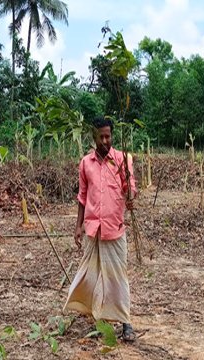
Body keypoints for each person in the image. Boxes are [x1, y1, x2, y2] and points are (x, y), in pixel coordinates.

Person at [64, 116, 138, 342]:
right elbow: (82, 197)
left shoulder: (124, 159)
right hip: (93, 229)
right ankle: (98, 316)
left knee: (117, 277)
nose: (104, 140)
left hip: (114, 227)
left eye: (108, 136)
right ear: (94, 137)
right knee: (93, 275)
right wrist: (78, 226)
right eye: (100, 136)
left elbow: (131, 190)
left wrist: (131, 196)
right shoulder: (86, 163)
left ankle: (126, 322)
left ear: (112, 136)